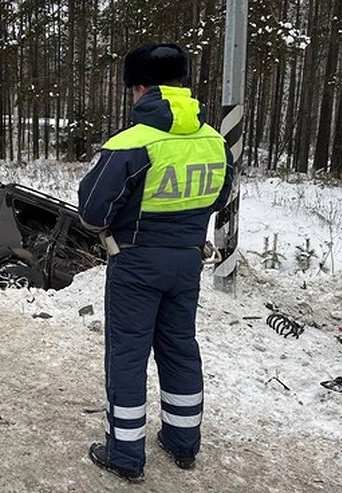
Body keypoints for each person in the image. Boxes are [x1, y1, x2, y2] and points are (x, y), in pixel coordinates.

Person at [77, 42, 234, 483]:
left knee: (128, 355)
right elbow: (221, 197)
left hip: (135, 262)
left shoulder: (132, 142)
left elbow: (92, 211)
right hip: (187, 262)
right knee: (180, 347)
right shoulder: (215, 141)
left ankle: (125, 454)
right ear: (182, 84)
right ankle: (183, 443)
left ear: (139, 87)